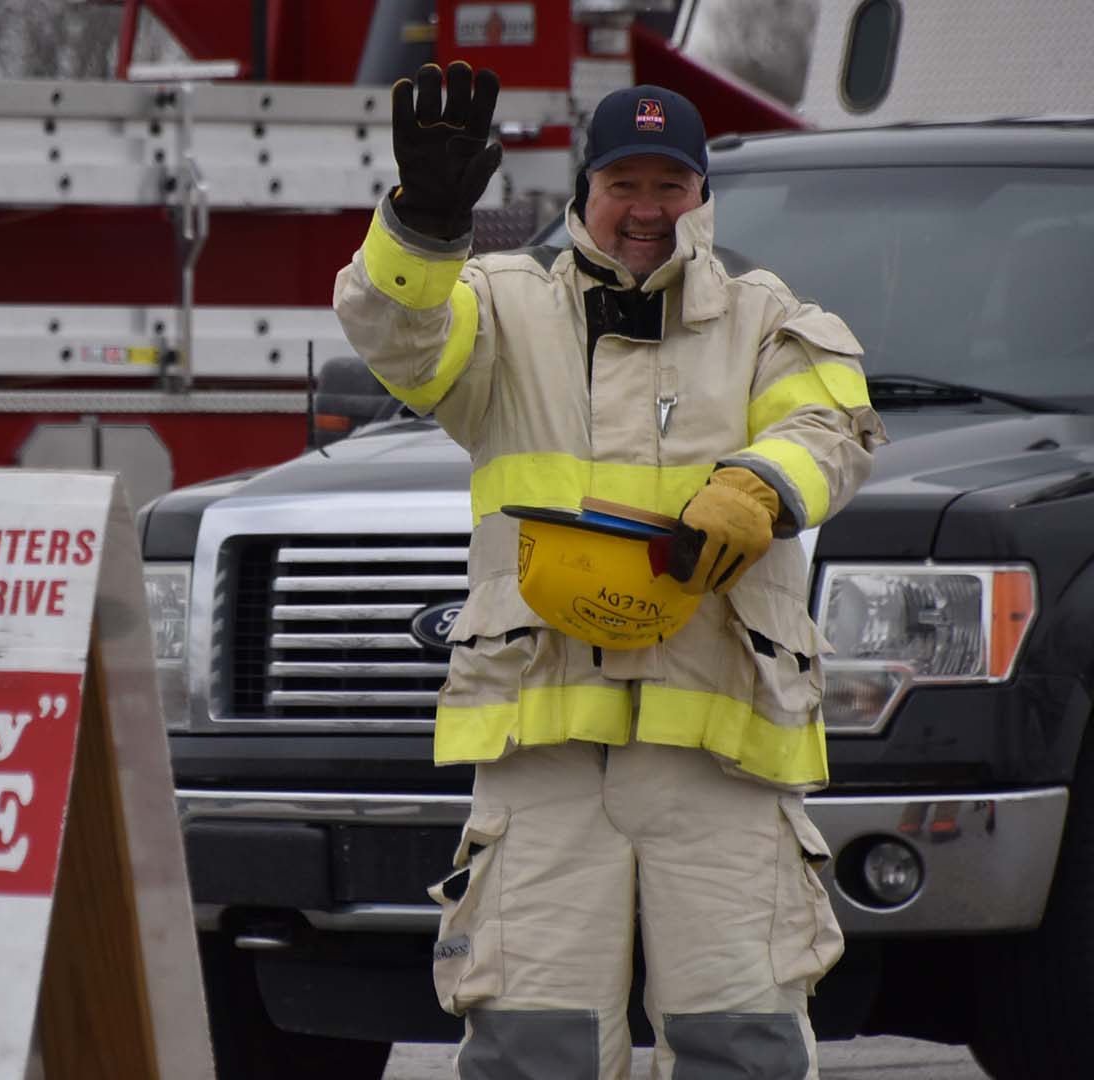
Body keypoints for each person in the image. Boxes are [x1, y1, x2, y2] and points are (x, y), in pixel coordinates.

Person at [333, 64, 887, 1080]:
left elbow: (835, 423)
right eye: (623, 184)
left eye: (668, 186)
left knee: (743, 1046)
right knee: (532, 1048)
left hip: (716, 750)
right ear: (585, 192)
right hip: (545, 747)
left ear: (702, 196)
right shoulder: (500, 307)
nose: (646, 211)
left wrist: (758, 486)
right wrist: (420, 226)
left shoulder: (766, 317)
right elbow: (394, 338)